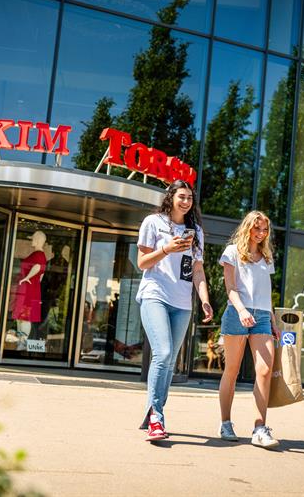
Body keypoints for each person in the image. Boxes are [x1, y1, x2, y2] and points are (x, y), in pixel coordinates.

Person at [136, 179, 213, 441]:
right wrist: (166, 248)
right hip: (155, 295)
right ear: (171, 197)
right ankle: (156, 416)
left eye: (190, 198)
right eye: (181, 196)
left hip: (182, 303)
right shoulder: (153, 223)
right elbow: (143, 263)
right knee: (164, 352)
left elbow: (198, 270)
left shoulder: (196, 232)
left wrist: (204, 299)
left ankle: (154, 412)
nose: (186, 201)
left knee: (170, 361)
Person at [217, 211, 280, 448]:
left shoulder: (266, 257)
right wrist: (242, 311)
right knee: (231, 371)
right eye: (257, 228)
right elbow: (230, 287)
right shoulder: (232, 252)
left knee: (264, 370)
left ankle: (259, 429)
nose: (261, 233)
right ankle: (225, 423)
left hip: (262, 315)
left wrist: (272, 319)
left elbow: (266, 291)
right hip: (237, 313)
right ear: (248, 228)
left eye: (264, 229)